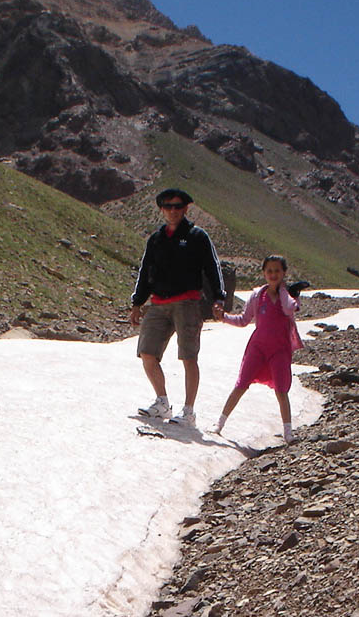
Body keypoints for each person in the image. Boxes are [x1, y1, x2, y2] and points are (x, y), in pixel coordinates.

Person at [130, 188, 226, 428]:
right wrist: (137, 303)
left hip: (187, 303)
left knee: (188, 356)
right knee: (147, 353)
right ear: (162, 209)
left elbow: (212, 268)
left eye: (177, 206)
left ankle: (189, 411)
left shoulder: (197, 236)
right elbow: (145, 272)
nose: (172, 210)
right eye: (168, 206)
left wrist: (218, 298)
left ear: (185, 209)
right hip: (158, 304)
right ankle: (162, 401)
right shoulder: (156, 239)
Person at [210, 255, 304, 443]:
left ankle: (288, 432)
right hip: (258, 347)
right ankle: (219, 424)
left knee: (281, 389)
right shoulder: (257, 296)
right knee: (241, 384)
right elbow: (244, 320)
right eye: (269, 271)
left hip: (280, 349)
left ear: (284, 273)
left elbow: (289, 308)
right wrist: (224, 317)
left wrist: (287, 291)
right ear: (264, 273)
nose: (273, 274)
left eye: (277, 271)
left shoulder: (289, 296)